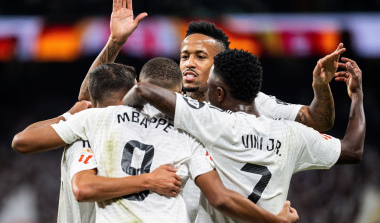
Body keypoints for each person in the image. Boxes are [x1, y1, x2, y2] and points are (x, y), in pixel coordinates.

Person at [12, 59, 299, 223]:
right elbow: (221, 197)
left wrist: (71, 112)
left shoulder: (95, 122)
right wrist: (275, 220)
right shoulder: (189, 134)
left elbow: (22, 142)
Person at [123, 50, 365, 222]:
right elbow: (353, 150)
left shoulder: (212, 121)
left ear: (218, 93)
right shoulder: (293, 134)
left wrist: (122, 114)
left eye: (209, 88)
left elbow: (143, 90)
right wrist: (356, 96)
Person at [12, 63, 184, 222]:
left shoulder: (86, 123)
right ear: (128, 96)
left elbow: (21, 140)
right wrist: (149, 180)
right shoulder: (87, 134)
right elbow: (84, 187)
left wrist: (68, 115)